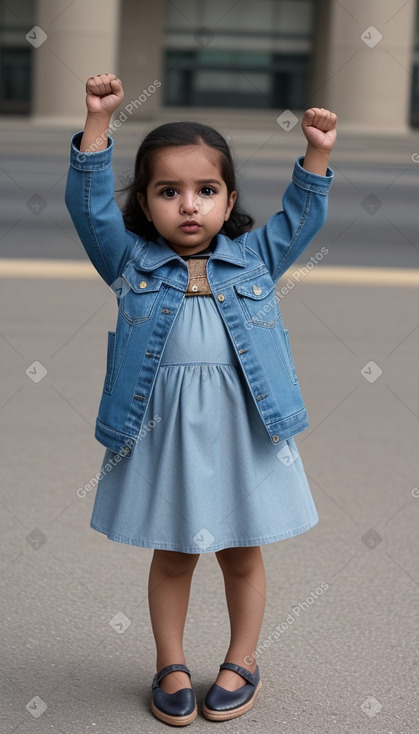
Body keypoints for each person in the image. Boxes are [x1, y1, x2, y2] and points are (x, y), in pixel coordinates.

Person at [65, 73, 336, 726]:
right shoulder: (131, 262)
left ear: (229, 198)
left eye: (205, 190)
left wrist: (317, 155)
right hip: (165, 430)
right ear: (146, 203)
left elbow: (301, 219)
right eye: (169, 191)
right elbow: (90, 208)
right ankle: (171, 663)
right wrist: (98, 124)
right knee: (175, 551)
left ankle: (242, 660)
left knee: (241, 550)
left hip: (243, 428)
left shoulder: (254, 261)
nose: (189, 205)